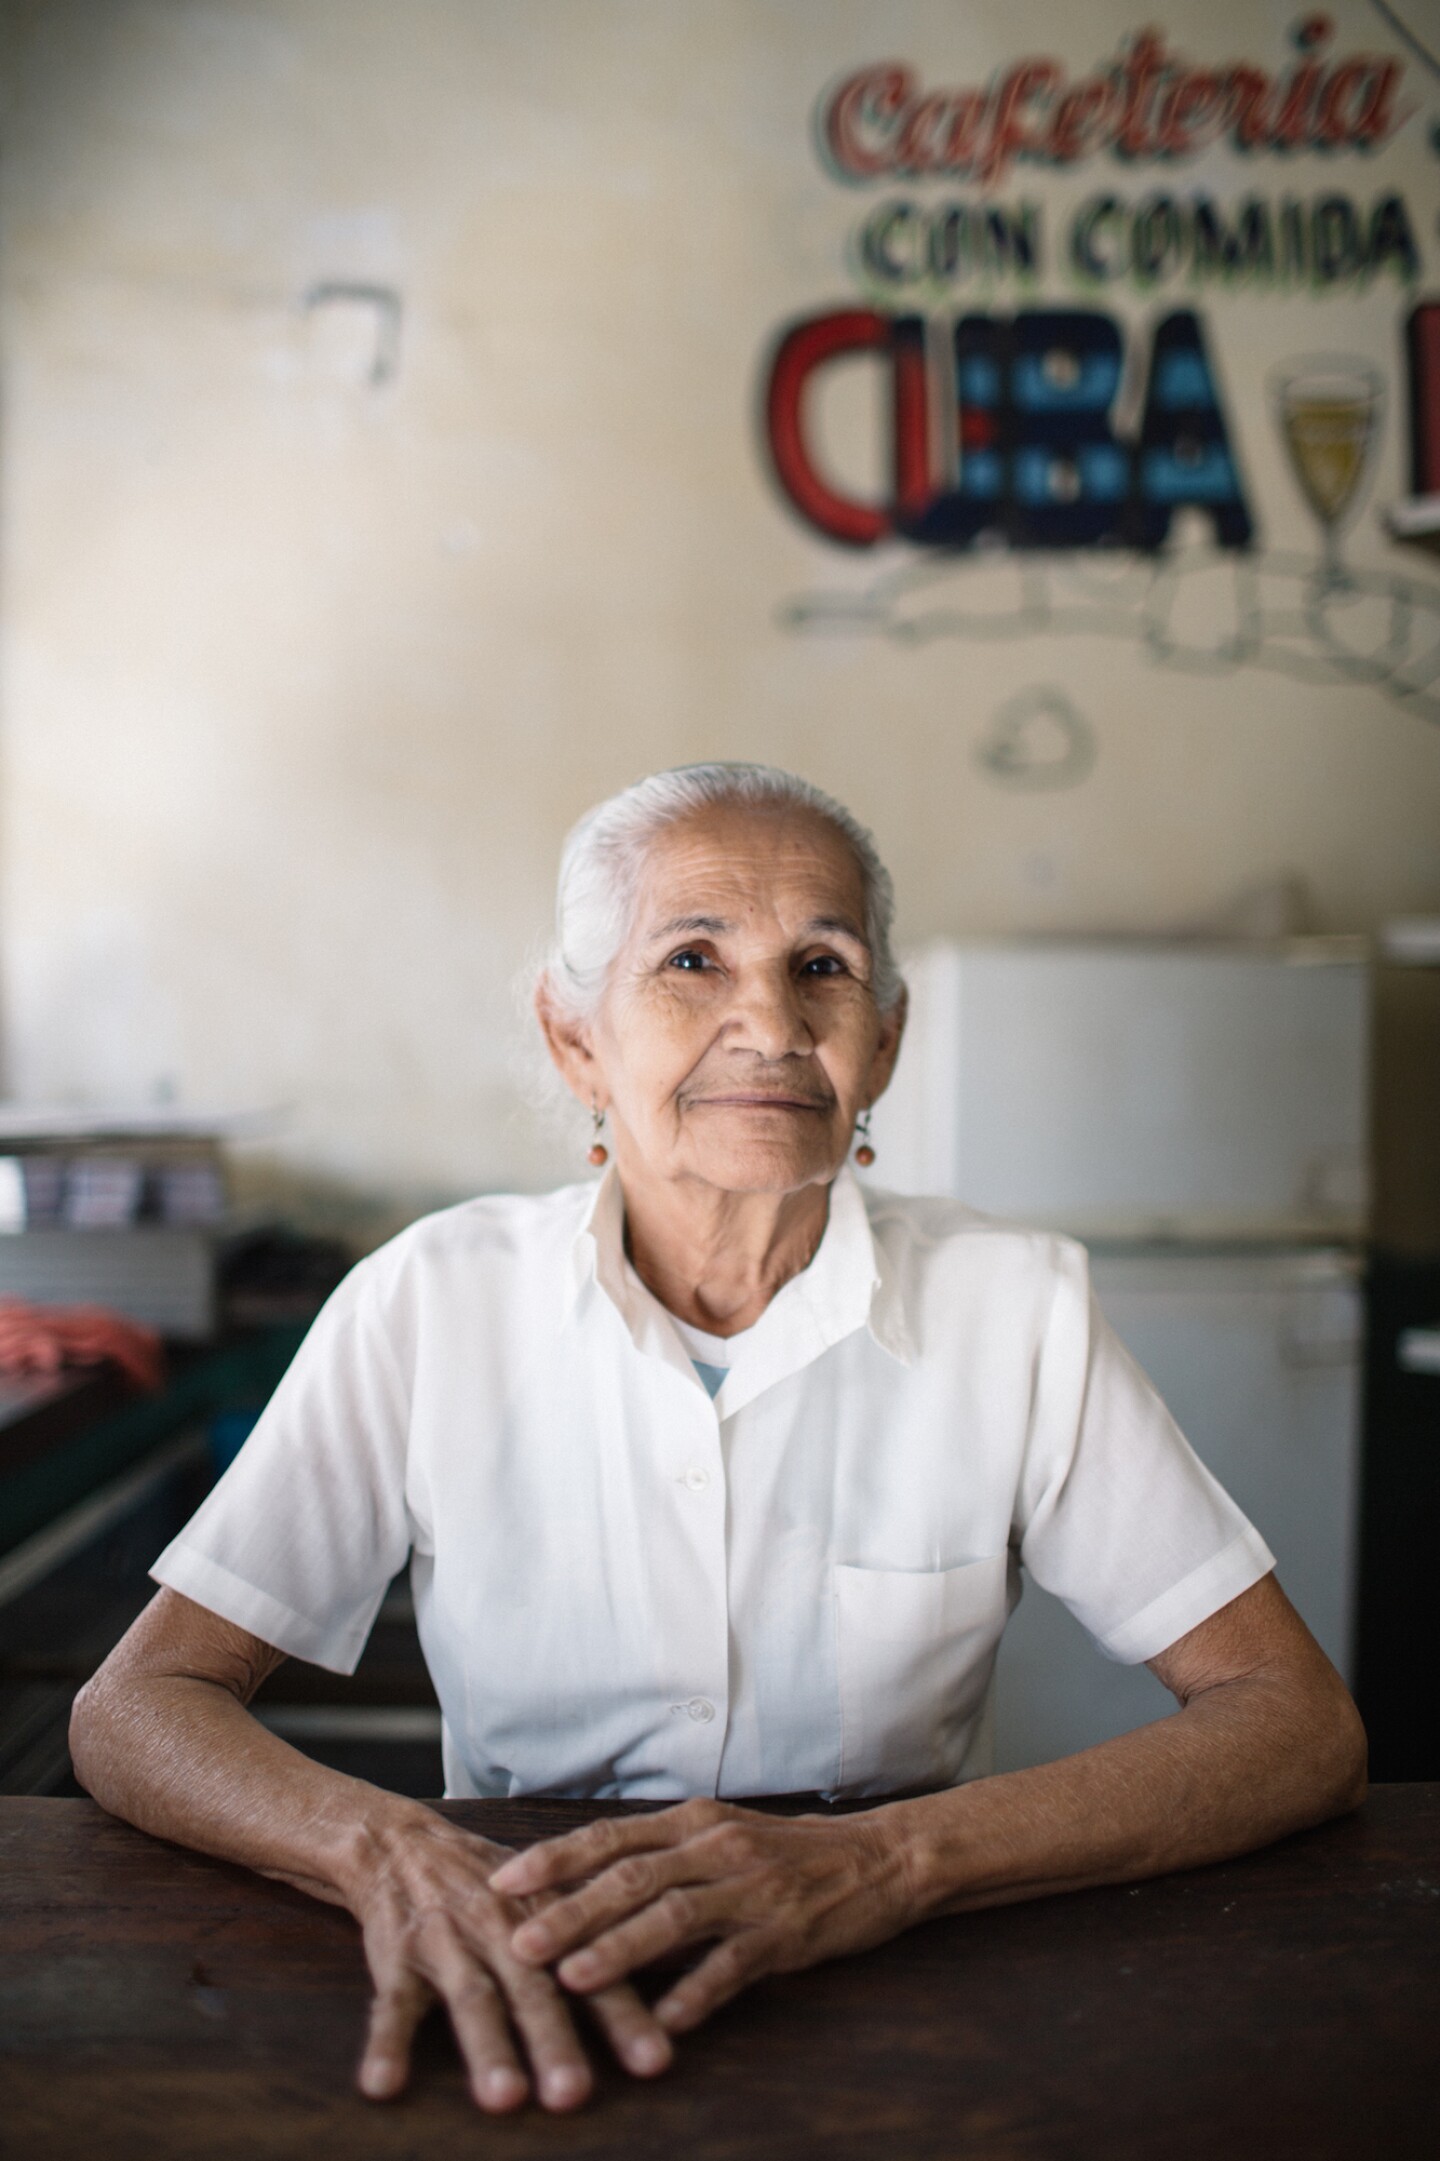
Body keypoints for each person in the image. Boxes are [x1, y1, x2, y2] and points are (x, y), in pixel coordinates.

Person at [70, 763, 1366, 2116]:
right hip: (527, 1966)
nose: (771, 1019)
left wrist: (887, 1861)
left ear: (886, 1042)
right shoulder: (430, 1298)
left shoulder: (1013, 1304)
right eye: (694, 958)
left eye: (825, 965)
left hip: (904, 1985)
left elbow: (1293, 1722)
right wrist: (380, 1847)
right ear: (577, 1038)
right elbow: (137, 1707)